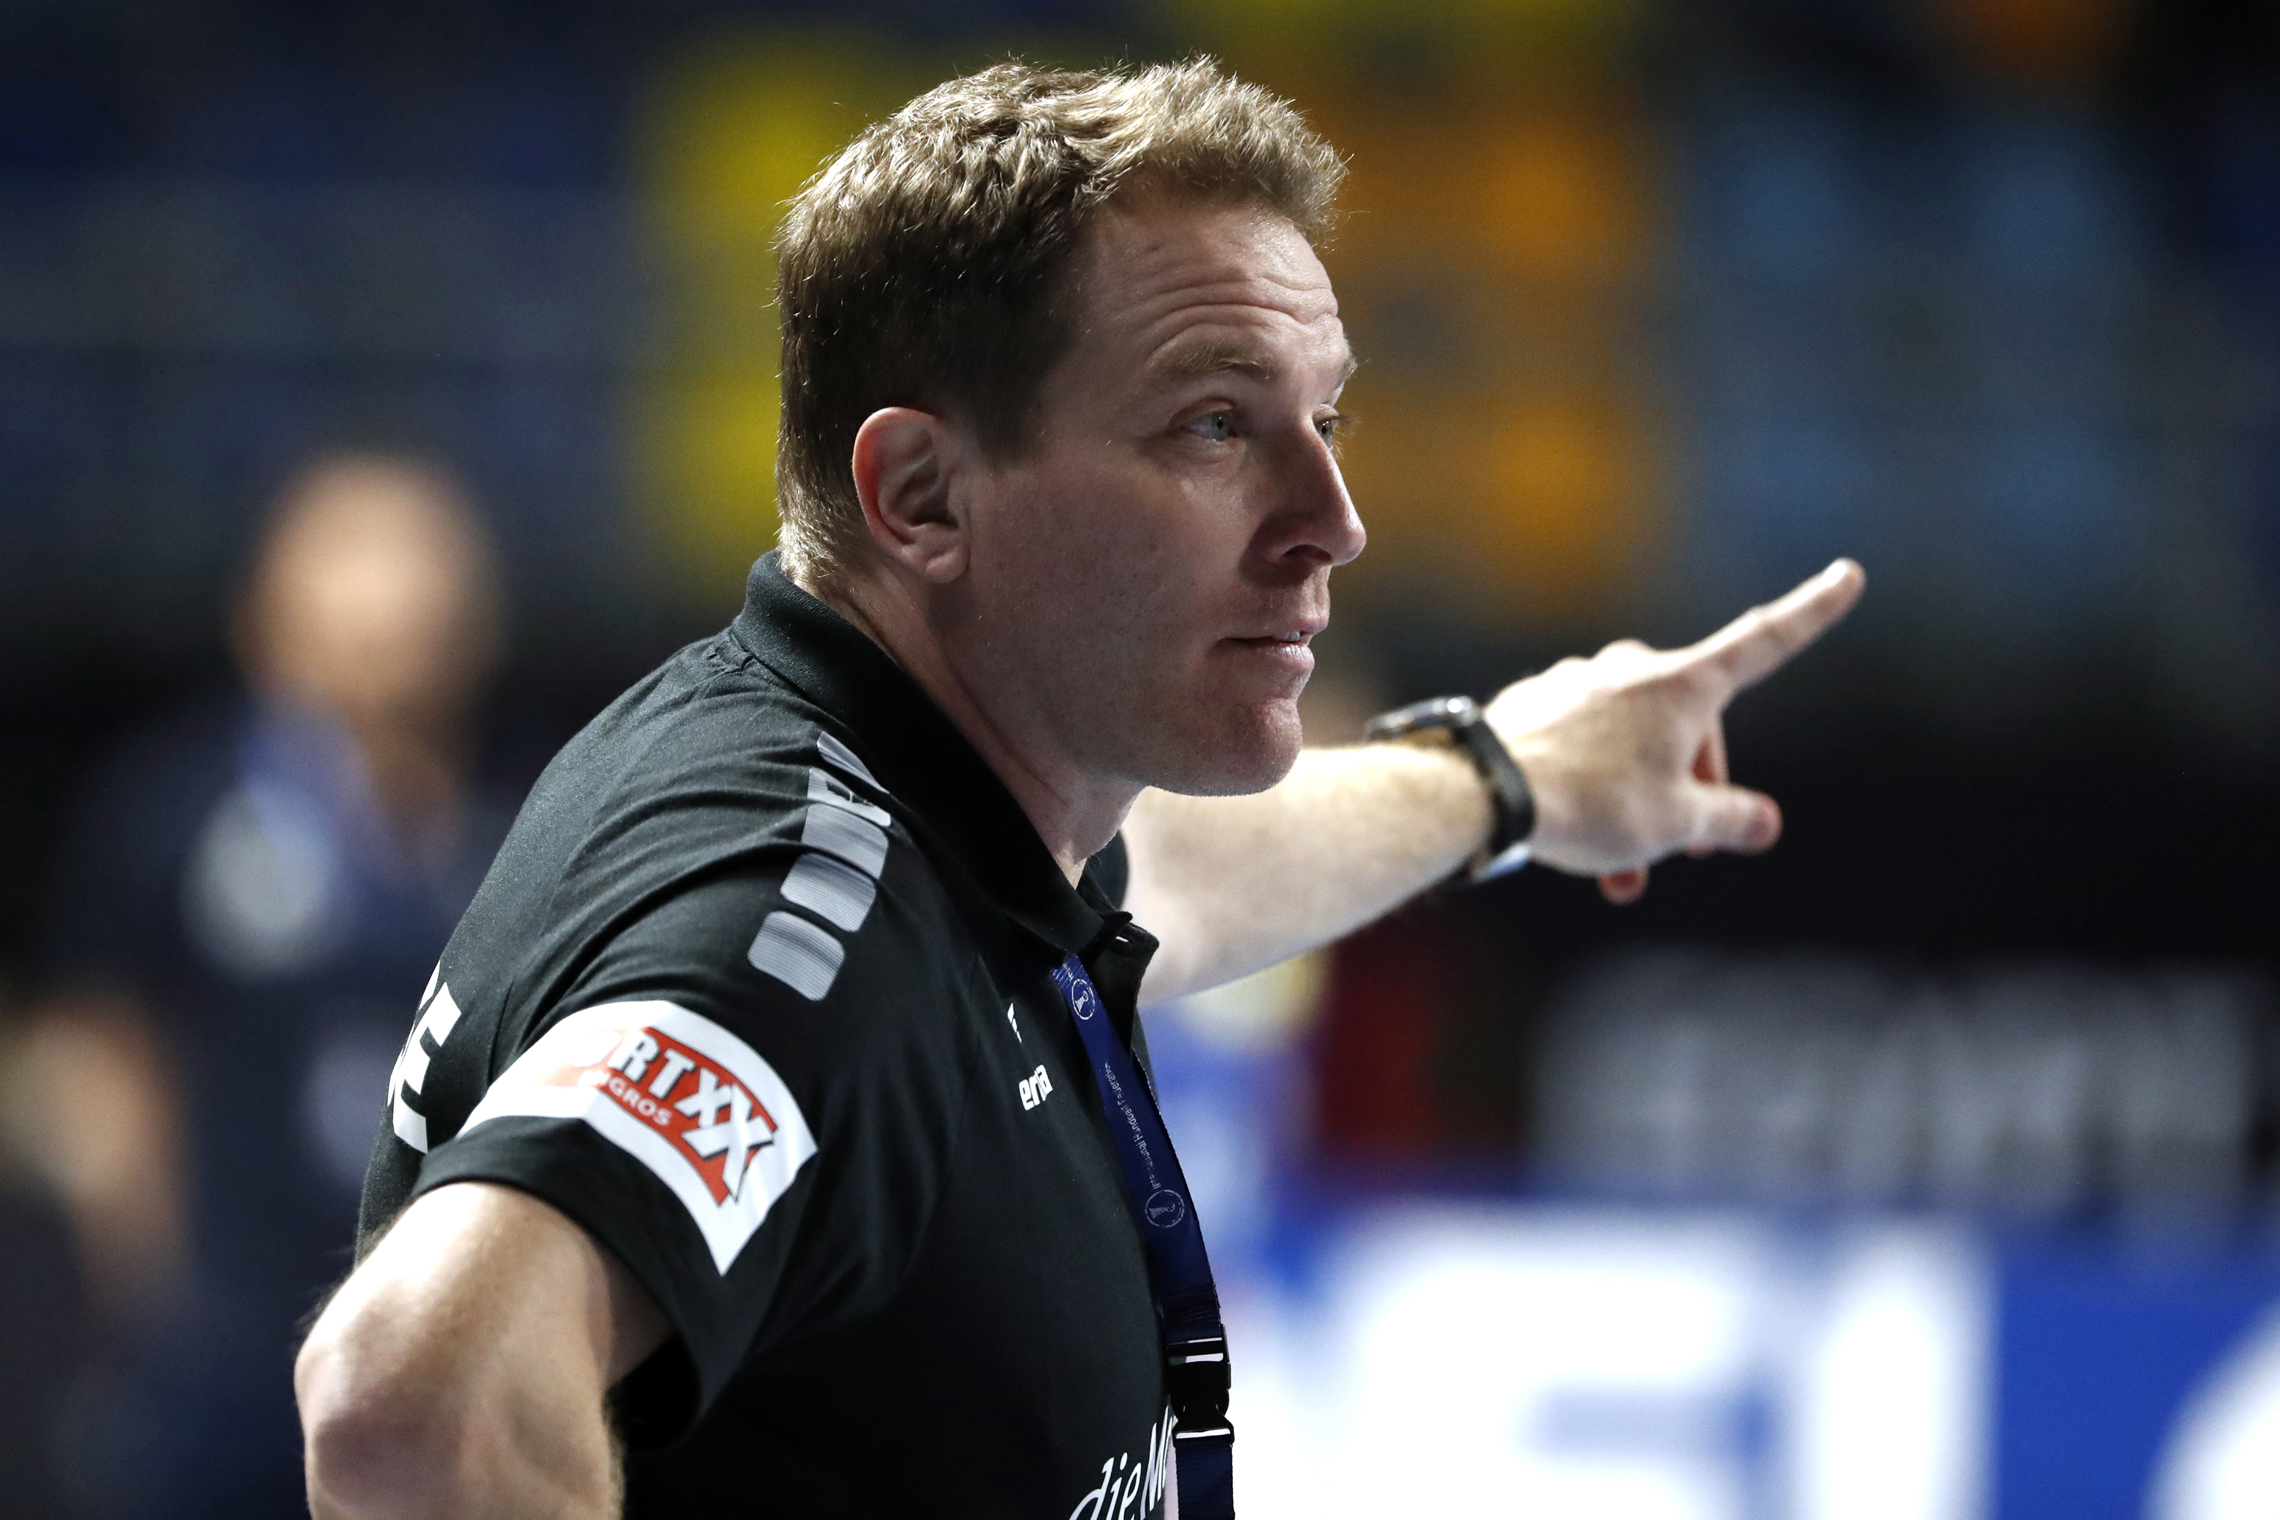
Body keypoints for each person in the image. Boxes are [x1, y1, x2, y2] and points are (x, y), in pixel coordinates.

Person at [294, 61, 1864, 1520]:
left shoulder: (947, 826)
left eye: (1325, 419)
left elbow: (1157, 886)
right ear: (921, 496)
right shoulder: (801, 929)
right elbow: (413, 1405)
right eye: (1214, 424)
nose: (1334, 519)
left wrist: (1504, 779)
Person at [21, 452, 511, 1519]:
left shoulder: (526, 834)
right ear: (266, 610)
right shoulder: (171, 811)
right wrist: (152, 1296)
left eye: (420, 563)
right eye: (352, 555)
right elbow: (97, 1060)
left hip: (438, 1372)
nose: (391, 600)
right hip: (219, 1369)